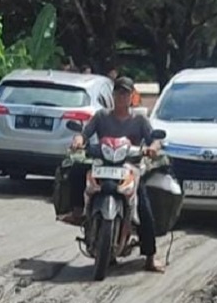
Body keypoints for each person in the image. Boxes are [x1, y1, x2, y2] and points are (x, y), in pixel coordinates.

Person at [60, 76, 165, 274]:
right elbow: (85, 133)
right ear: (113, 95)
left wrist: (152, 148)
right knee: (76, 169)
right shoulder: (101, 117)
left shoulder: (140, 120)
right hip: (103, 164)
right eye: (118, 92)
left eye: (125, 93)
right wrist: (78, 140)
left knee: (145, 209)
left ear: (132, 96)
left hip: (130, 168)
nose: (121, 96)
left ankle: (150, 257)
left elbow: (154, 140)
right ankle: (77, 210)